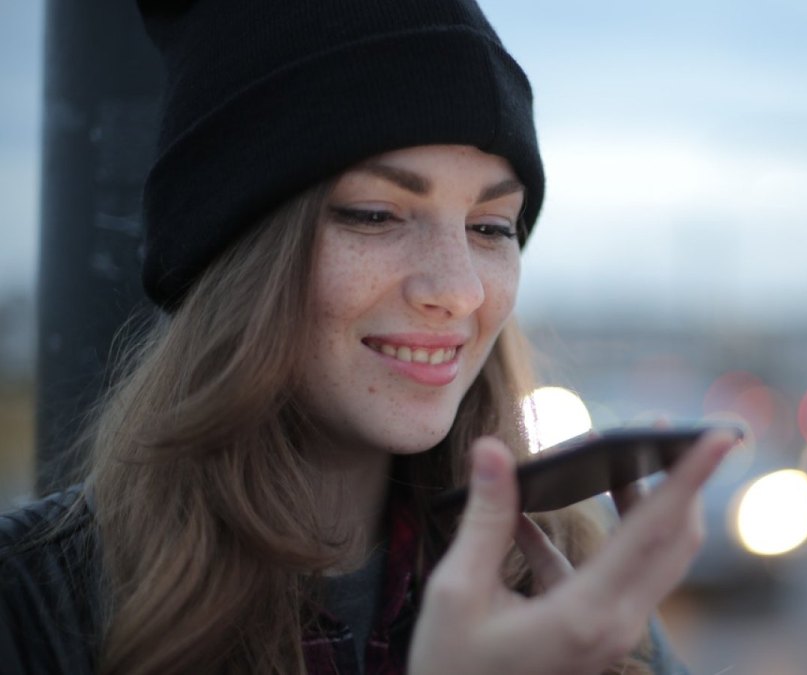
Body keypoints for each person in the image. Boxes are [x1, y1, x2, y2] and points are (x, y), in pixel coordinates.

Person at [0, 1, 736, 674]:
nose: (457, 289)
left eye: (490, 227)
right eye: (375, 215)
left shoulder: (563, 587)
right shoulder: (31, 606)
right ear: (234, 253)